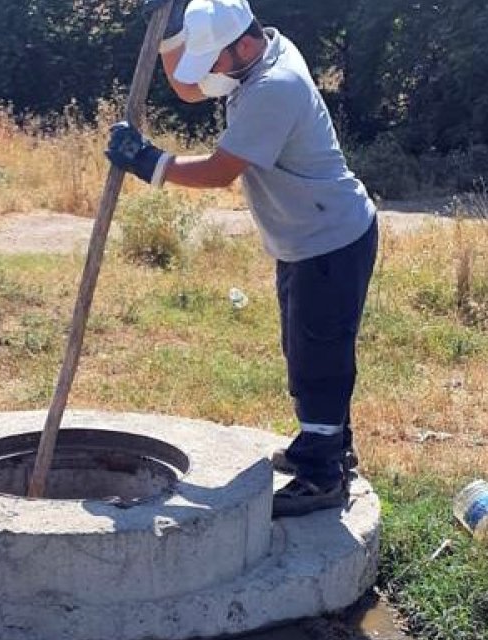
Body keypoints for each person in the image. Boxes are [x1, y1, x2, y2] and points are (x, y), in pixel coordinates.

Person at [106, 0, 379, 517]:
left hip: (330, 239)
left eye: (213, 59)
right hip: (305, 237)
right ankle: (324, 447)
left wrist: (148, 162)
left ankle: (323, 477)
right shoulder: (254, 56)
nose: (210, 71)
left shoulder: (275, 87)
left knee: (319, 356)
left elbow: (218, 171)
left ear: (243, 46)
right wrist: (167, 33)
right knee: (304, 350)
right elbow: (190, 87)